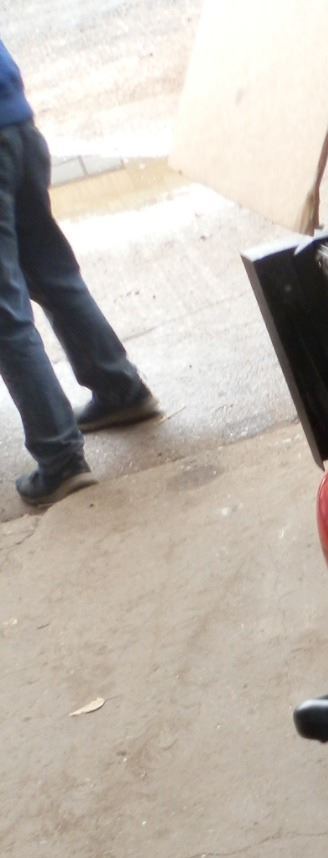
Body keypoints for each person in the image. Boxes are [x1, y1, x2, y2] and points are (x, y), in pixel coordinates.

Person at [0, 37, 158, 508]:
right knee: (51, 273)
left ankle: (60, 458)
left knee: (7, 317)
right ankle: (119, 388)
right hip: (19, 130)